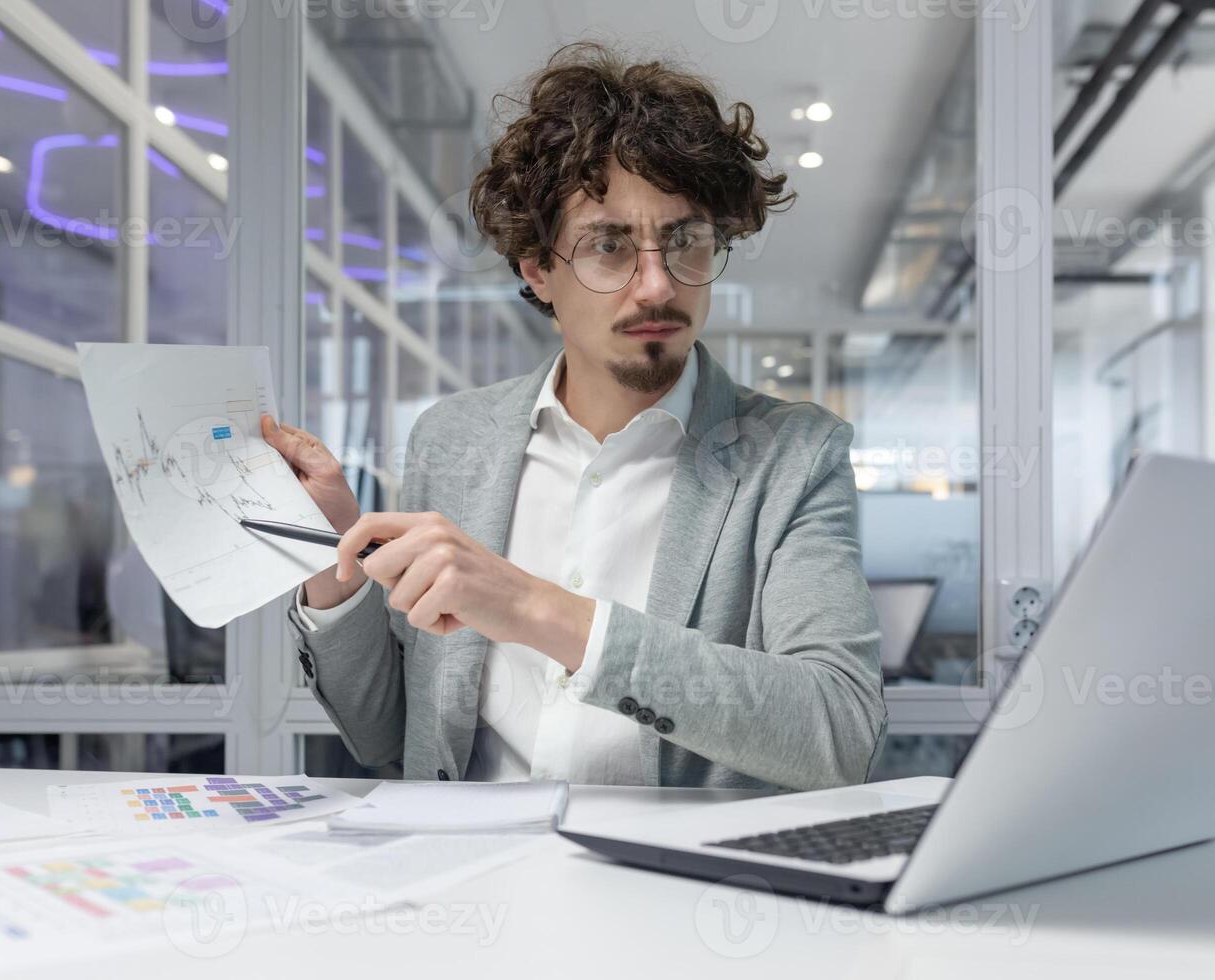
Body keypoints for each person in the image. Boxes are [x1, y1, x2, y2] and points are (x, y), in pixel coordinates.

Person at [263, 42, 885, 790]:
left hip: (671, 894)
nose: (657, 285)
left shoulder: (792, 456)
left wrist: (531, 607)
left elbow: (837, 732)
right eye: (608, 245)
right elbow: (389, 735)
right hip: (471, 883)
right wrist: (336, 567)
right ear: (538, 269)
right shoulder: (452, 439)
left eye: (685, 239)